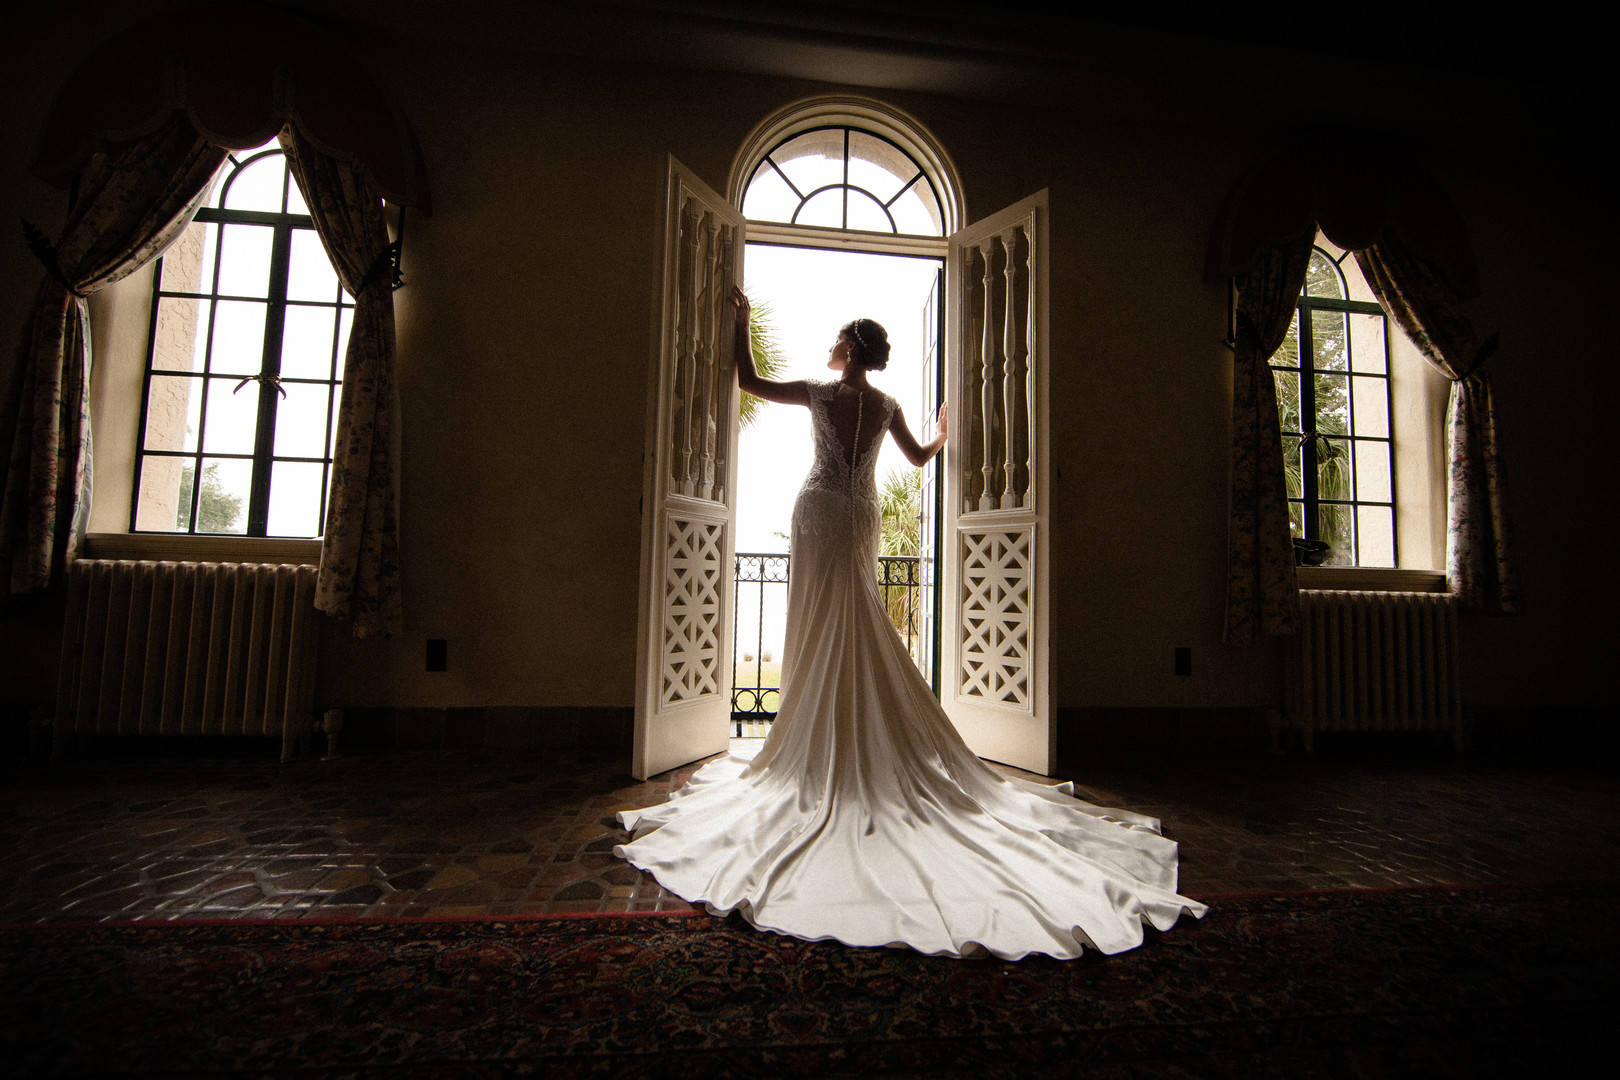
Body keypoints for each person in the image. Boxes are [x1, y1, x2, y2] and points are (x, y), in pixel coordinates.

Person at [614, 285, 1206, 960]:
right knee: (856, 615)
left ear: (848, 350)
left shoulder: (818, 392)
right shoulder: (887, 405)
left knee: (817, 620)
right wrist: (945, 436)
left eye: (837, 340)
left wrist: (741, 319)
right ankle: (856, 729)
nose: (830, 349)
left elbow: (745, 380)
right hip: (859, 514)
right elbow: (921, 459)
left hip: (816, 510)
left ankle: (818, 729)